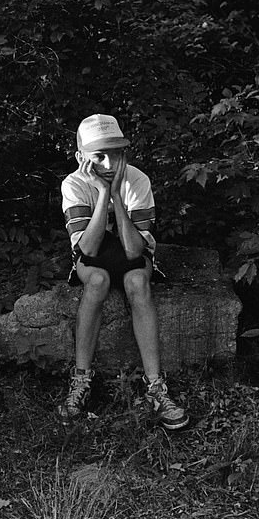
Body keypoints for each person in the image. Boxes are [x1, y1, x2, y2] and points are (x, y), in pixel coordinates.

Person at [58, 114, 189, 430]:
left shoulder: (137, 180)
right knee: (98, 281)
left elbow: (133, 251)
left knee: (137, 282)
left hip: (131, 249)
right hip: (95, 253)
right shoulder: (74, 184)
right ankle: (81, 380)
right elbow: (87, 250)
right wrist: (102, 194)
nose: (108, 162)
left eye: (115, 153)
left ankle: (156, 387)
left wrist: (116, 192)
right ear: (81, 157)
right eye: (98, 155)